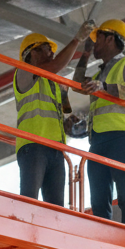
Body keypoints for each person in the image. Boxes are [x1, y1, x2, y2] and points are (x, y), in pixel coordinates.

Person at [13, 22, 94, 206]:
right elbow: (55, 65)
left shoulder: (54, 84)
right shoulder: (23, 71)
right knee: (29, 200)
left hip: (55, 149)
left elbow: (63, 113)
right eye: (47, 49)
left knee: (56, 208)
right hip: (33, 145)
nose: (52, 53)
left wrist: (69, 123)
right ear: (32, 53)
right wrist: (76, 40)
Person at [80, 18, 125, 228]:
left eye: (97, 38)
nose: (95, 42)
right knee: (99, 201)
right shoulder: (99, 74)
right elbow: (76, 83)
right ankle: (103, 241)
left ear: (109, 38)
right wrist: (85, 53)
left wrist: (103, 87)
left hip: (121, 137)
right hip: (98, 140)